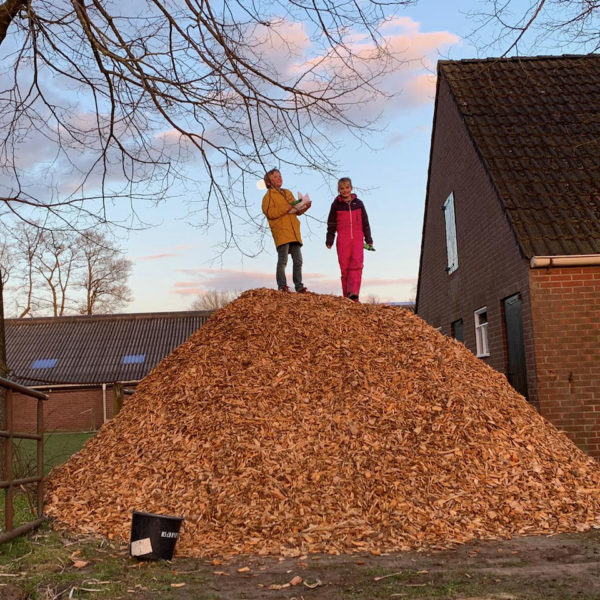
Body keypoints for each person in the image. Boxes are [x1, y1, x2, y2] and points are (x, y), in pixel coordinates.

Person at [262, 168, 312, 292]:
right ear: (268, 183)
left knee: (298, 260)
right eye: (275, 177)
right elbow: (269, 213)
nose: (279, 178)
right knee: (283, 259)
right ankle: (282, 285)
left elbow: (295, 210)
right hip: (281, 231)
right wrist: (287, 207)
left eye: (280, 176)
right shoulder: (268, 196)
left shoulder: (288, 192)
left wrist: (304, 207)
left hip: (294, 231)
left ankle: (299, 286)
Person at [326, 177, 373, 302]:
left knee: (357, 264)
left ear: (351, 188)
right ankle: (347, 297)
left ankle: (354, 293)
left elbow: (365, 222)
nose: (345, 190)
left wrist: (369, 239)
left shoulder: (359, 203)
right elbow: (331, 223)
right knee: (345, 267)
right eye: (342, 188)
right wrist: (329, 239)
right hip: (343, 239)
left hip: (357, 238)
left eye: (347, 187)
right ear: (339, 190)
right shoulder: (336, 205)